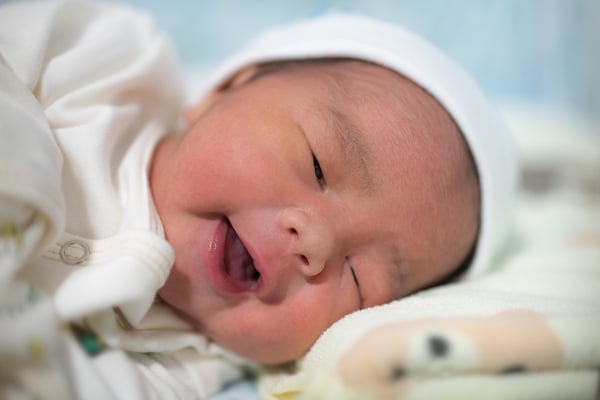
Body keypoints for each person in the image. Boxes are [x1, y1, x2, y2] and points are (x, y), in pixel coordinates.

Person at [0, 0, 517, 398]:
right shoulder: (103, 67)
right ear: (224, 90)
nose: (316, 241)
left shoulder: (187, 367)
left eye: (360, 281)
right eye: (317, 164)